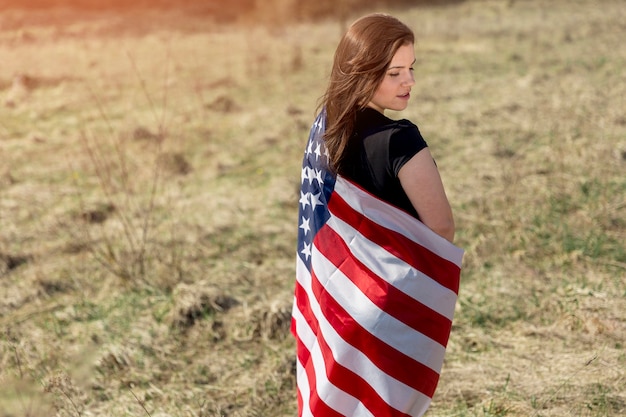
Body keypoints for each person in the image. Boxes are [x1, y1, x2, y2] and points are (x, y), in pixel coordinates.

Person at [292, 13, 464, 417]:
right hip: (387, 306)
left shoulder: (326, 129)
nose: (409, 82)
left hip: (338, 304)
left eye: (411, 69)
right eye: (394, 73)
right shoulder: (399, 139)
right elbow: (441, 226)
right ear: (363, 73)